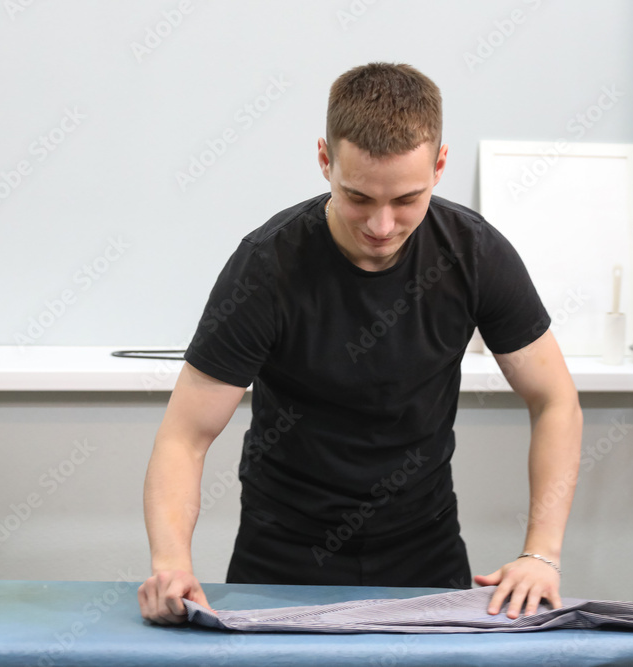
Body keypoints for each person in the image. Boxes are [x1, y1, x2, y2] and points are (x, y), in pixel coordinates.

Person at [138, 62, 582, 627]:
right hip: (283, 554)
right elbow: (185, 438)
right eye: (358, 197)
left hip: (424, 549)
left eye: (407, 199)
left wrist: (541, 554)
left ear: (440, 166)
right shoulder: (266, 267)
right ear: (325, 160)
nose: (381, 225)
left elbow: (555, 401)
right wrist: (171, 564)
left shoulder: (474, 254)